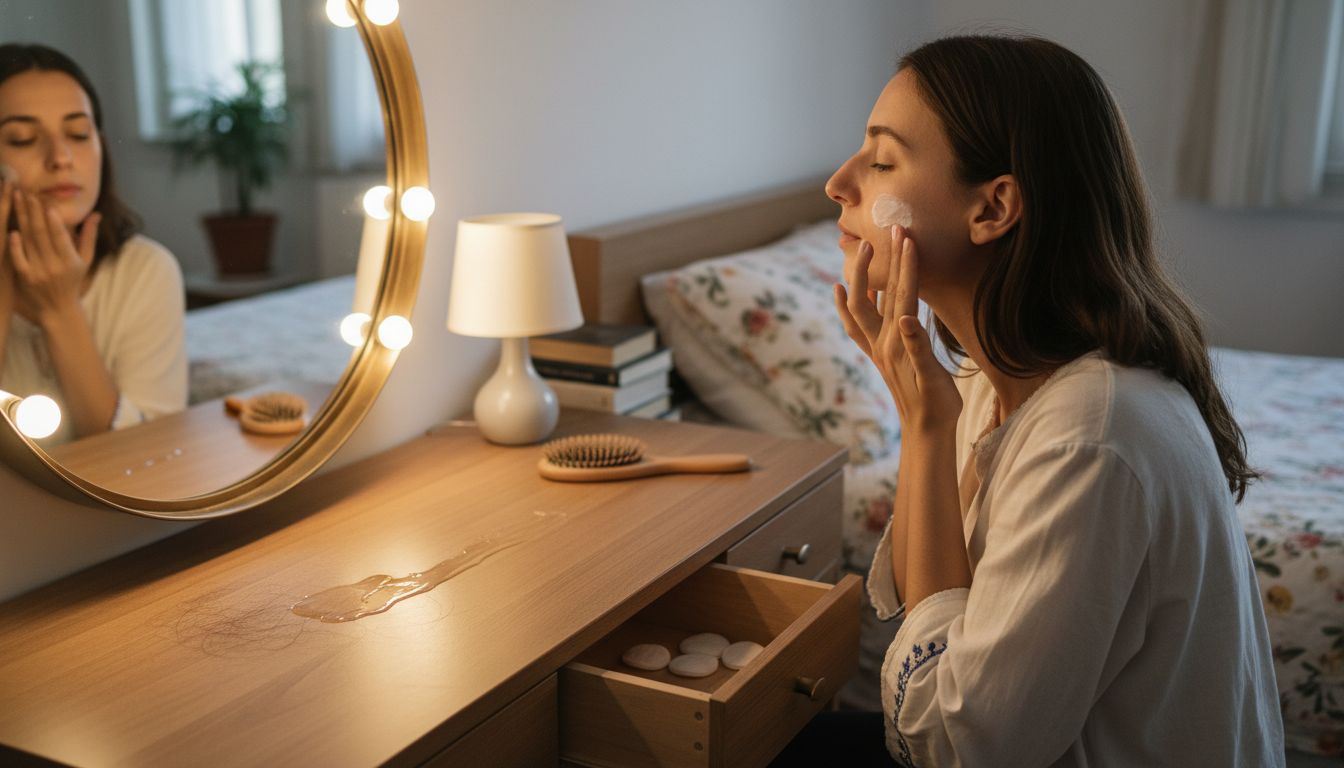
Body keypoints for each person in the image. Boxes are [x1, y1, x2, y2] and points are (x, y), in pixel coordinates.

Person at [777, 35, 1284, 767]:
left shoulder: (1089, 435)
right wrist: (925, 422)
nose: (838, 183)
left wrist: (925, 423)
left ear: (994, 208)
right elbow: (940, 611)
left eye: (883, 160)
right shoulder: (991, 378)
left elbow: (957, 745)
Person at [0, 43, 185, 444]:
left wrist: (61, 308)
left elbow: (147, 457)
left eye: (78, 133)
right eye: (21, 138)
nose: (61, 157)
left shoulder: (145, 270)